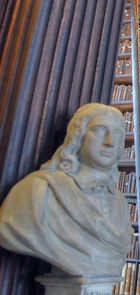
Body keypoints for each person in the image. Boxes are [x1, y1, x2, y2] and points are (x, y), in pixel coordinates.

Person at [0, 103, 132, 275]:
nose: (110, 142)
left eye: (117, 134)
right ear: (78, 136)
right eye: (99, 131)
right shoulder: (39, 190)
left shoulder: (119, 202)